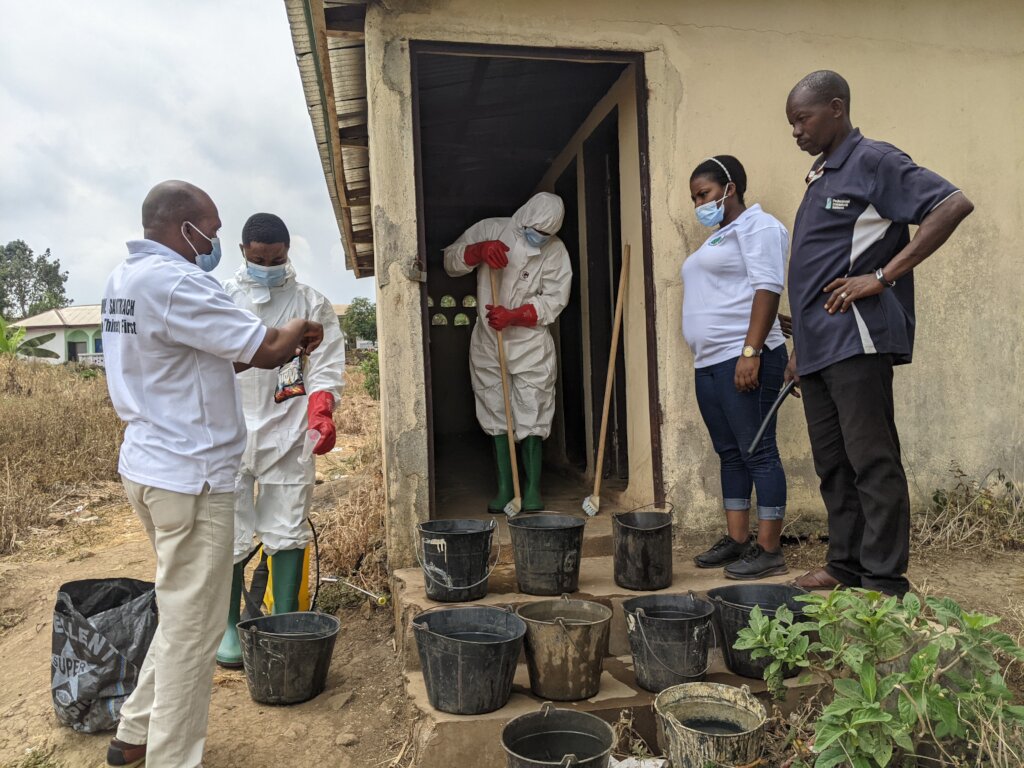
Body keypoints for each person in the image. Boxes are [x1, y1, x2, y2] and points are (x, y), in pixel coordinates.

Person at [101, 181, 324, 768]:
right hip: (190, 477)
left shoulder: (124, 280)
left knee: (181, 610)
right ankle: (173, 759)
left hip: (151, 466)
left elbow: (219, 349)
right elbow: (267, 350)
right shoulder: (178, 283)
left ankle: (132, 735)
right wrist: (302, 330)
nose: (218, 241)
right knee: (193, 630)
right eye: (215, 230)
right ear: (185, 229)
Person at [784, 71, 974, 596]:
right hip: (819, 346)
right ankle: (844, 565)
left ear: (836, 108)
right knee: (833, 464)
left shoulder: (874, 160)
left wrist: (883, 275)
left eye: (803, 119)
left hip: (857, 339)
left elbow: (952, 204)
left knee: (872, 460)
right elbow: (813, 269)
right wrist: (800, 347)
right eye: (791, 123)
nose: (795, 131)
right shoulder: (822, 176)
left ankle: (885, 579)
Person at [215, 213, 346, 668]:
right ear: (243, 253)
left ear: (289, 252)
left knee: (287, 526)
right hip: (227, 432)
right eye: (259, 259)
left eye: (277, 258)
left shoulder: (311, 304)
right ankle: (229, 626)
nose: (268, 265)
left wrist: (322, 410)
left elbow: (327, 365)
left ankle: (284, 624)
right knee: (227, 531)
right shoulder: (222, 298)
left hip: (287, 431)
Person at [684, 156, 791, 580]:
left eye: (704, 194)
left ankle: (769, 549)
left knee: (758, 451)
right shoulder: (719, 237)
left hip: (742, 357)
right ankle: (737, 540)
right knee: (730, 453)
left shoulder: (759, 227)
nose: (699, 204)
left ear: (730, 188)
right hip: (709, 361)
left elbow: (768, 286)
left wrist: (752, 351)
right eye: (695, 197)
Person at [443, 192, 571, 513]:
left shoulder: (555, 251)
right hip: (489, 343)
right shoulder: (492, 229)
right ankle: (505, 488)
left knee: (533, 412)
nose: (538, 239)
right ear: (523, 217)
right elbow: (450, 261)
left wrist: (516, 315)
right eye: (534, 232)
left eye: (545, 235)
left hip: (531, 345)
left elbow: (555, 299)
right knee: (496, 412)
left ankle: (530, 490)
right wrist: (478, 252)